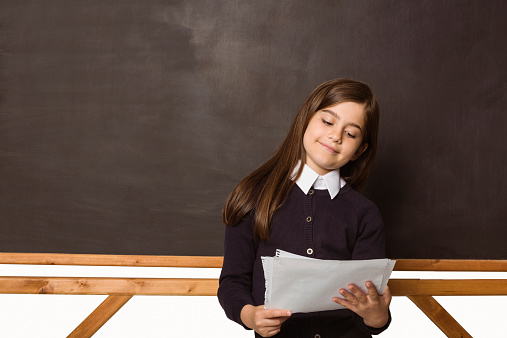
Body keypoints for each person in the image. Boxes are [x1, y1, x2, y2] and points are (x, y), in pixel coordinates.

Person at [218, 78, 391, 337]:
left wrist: (378, 318)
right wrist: (251, 315)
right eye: (328, 121)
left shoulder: (364, 213)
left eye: (351, 133)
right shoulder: (254, 197)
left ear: (359, 150)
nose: (335, 136)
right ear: (306, 119)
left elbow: (372, 306)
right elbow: (232, 282)